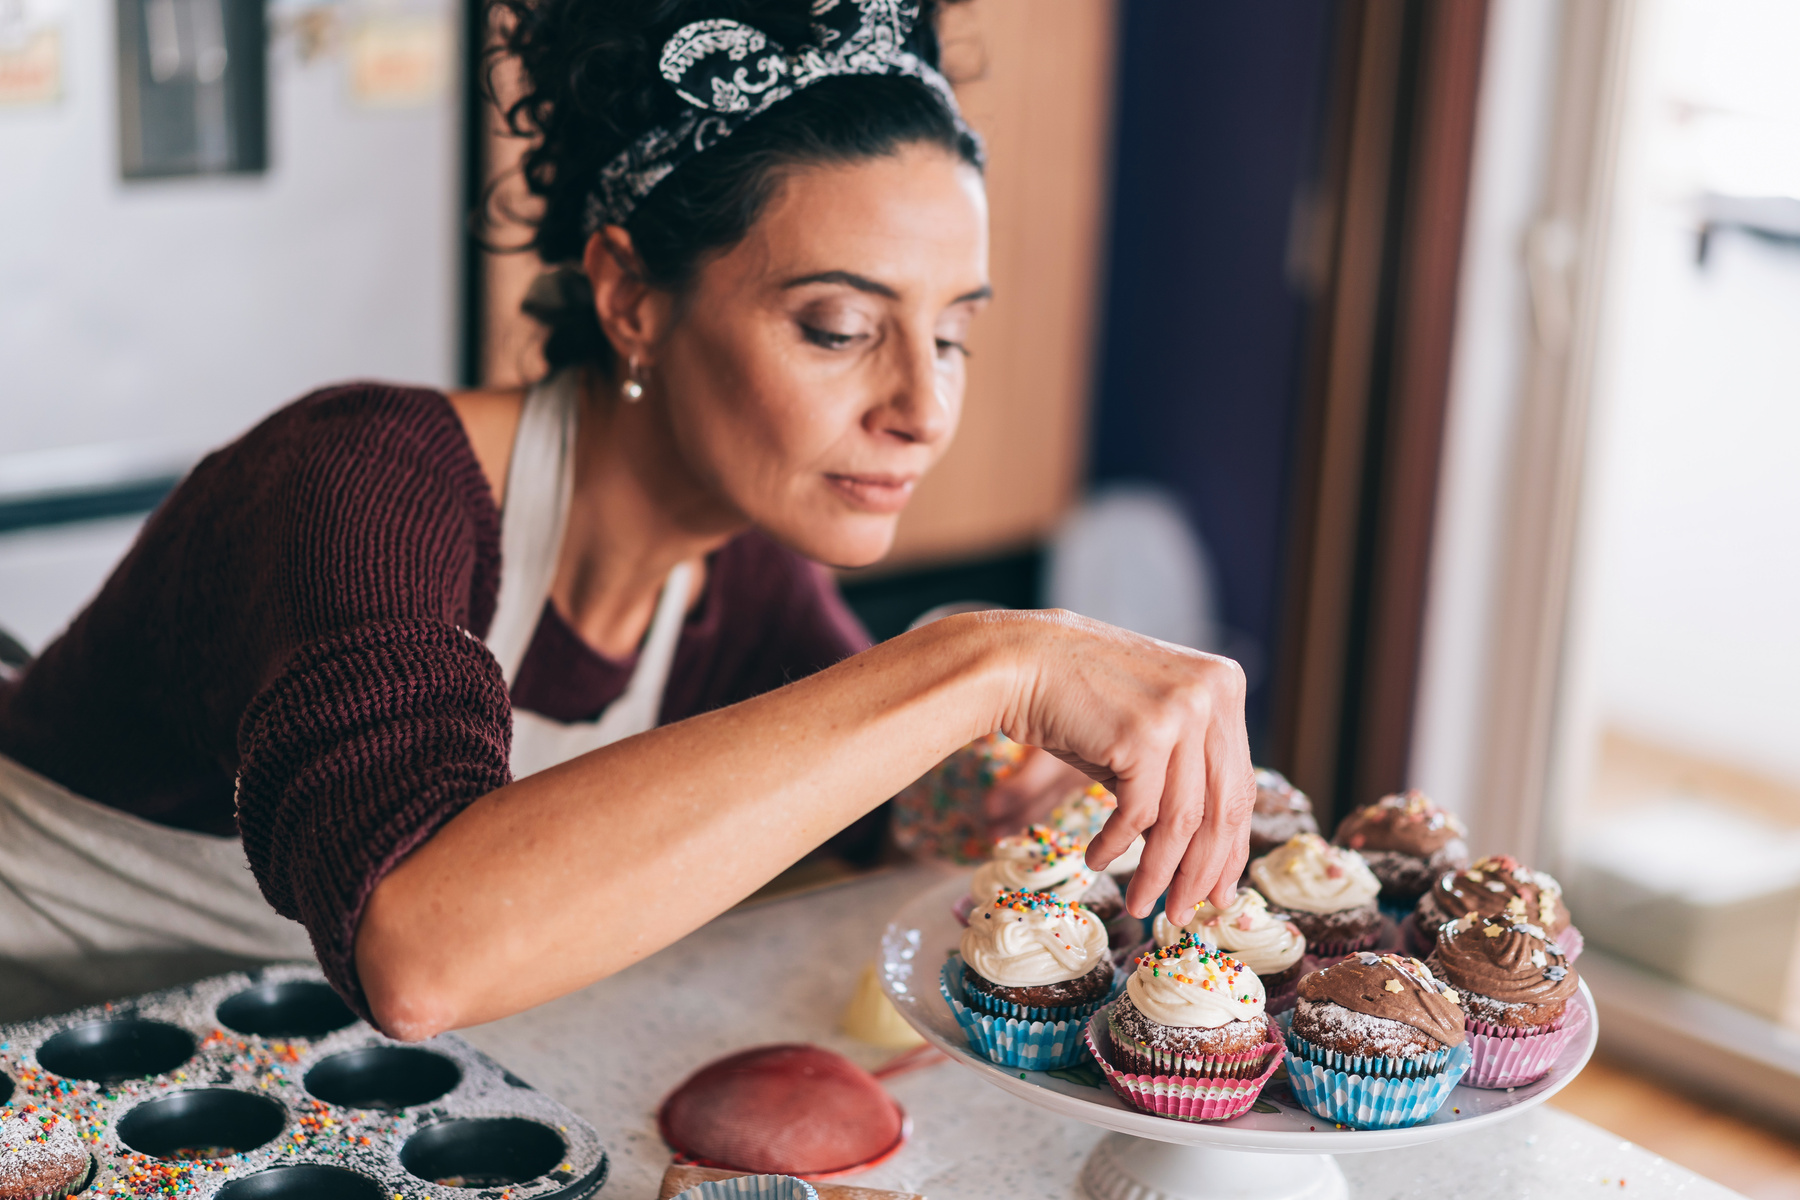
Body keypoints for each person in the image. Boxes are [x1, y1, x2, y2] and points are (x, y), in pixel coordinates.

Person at [0, 0, 1254, 1038]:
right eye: (838, 327)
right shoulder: (358, 483)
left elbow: (865, 802)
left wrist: (978, 792)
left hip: (238, 1073)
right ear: (631, 300)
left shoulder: (739, 578)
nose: (923, 407)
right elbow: (422, 948)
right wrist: (986, 659)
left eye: (952, 333)